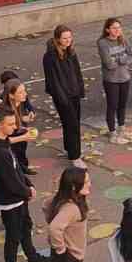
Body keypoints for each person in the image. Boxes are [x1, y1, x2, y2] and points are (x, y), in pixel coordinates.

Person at [0, 107, 50, 262]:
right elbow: (10, 180)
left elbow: (15, 169)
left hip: (15, 196)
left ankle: (32, 257)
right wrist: (27, 191)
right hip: (10, 199)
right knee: (13, 235)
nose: (14, 127)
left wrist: (27, 183)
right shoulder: (1, 152)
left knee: (25, 225)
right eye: (10, 124)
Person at [43, 25, 86, 168]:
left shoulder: (71, 52)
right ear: (57, 39)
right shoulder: (50, 57)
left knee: (72, 123)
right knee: (72, 125)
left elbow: (77, 72)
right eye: (64, 38)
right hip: (62, 97)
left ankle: (70, 149)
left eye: (69, 37)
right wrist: (62, 98)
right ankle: (75, 156)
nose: (68, 40)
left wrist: (80, 90)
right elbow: (53, 80)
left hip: (74, 94)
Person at [97, 17, 132, 146]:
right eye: (114, 28)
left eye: (119, 27)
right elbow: (109, 64)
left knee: (122, 104)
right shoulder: (102, 43)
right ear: (107, 30)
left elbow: (130, 56)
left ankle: (121, 128)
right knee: (112, 105)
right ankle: (112, 133)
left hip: (125, 77)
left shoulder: (123, 39)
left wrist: (119, 60)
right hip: (111, 80)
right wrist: (122, 59)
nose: (117, 30)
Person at [1, 78, 37, 175]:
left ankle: (23, 169)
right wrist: (24, 136)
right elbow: (3, 141)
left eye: (24, 91)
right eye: (20, 92)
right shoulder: (5, 112)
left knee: (21, 153)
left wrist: (25, 129)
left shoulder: (18, 103)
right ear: (11, 95)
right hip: (6, 149)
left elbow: (17, 124)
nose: (25, 94)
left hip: (17, 138)